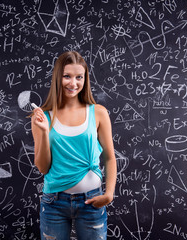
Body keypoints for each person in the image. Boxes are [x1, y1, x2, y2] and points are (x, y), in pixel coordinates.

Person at [31, 51, 117, 240]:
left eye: (79, 77)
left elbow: (110, 157)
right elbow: (43, 167)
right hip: (54, 203)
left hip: (92, 200)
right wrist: (45, 131)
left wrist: (109, 194)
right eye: (67, 76)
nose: (73, 83)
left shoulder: (99, 113)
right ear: (57, 78)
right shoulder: (42, 117)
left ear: (85, 79)